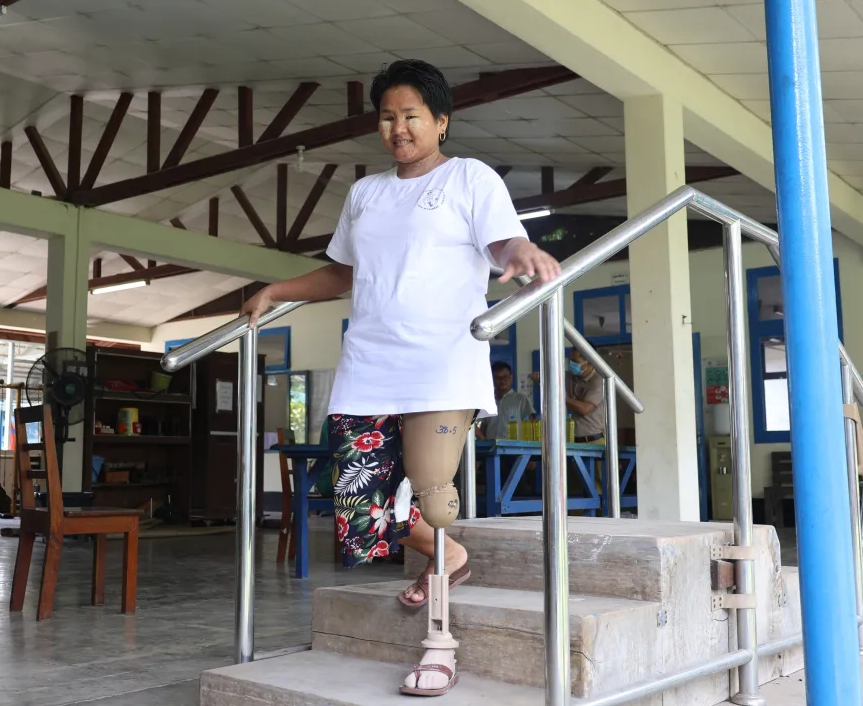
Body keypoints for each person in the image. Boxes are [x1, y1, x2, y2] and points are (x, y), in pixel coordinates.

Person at [241, 59, 559, 697]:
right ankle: (454, 558)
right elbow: (343, 273)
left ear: (440, 122)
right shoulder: (366, 192)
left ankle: (440, 646)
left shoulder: (470, 177)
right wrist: (276, 290)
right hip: (369, 367)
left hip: (442, 365)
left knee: (435, 494)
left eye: (411, 115)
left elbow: (501, 244)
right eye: (387, 116)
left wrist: (520, 251)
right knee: (358, 513)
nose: (398, 127)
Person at [531, 347, 608, 444]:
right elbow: (551, 386)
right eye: (570, 360)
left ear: (589, 362)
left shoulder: (598, 381)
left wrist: (563, 398)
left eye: (575, 361)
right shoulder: (569, 376)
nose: (571, 364)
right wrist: (540, 380)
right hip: (571, 441)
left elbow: (584, 409)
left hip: (593, 441)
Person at [476, 361, 535, 440]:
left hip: (515, 449)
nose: (502, 380)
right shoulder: (487, 401)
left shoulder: (521, 399)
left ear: (511, 377)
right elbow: (479, 426)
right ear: (492, 380)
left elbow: (531, 423)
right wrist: (484, 440)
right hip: (491, 449)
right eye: (497, 378)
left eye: (505, 377)